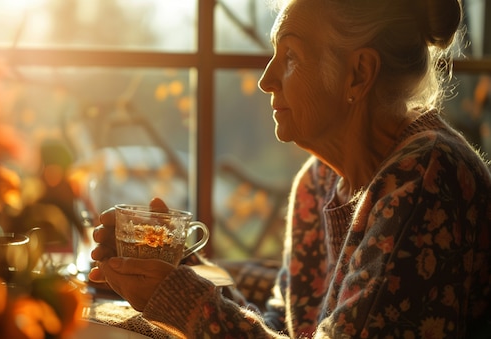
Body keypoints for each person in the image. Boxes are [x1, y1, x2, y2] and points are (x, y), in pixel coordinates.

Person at [89, 0, 491, 337]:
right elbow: (282, 328)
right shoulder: (318, 182)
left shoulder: (427, 177)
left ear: (359, 74)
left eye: (291, 56)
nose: (266, 80)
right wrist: (175, 269)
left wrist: (179, 299)